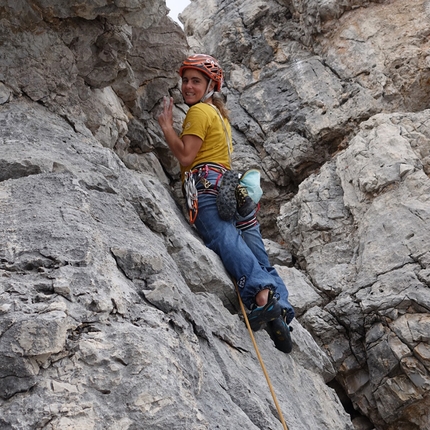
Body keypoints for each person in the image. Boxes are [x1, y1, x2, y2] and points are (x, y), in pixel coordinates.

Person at [158, 54, 295, 353]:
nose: (188, 86)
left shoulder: (197, 113)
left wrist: (167, 127)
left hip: (207, 188)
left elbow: (185, 157)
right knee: (255, 250)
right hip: (230, 188)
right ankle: (281, 308)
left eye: (196, 81)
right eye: (185, 80)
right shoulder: (220, 117)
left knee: (223, 237)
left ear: (209, 85)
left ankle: (262, 296)